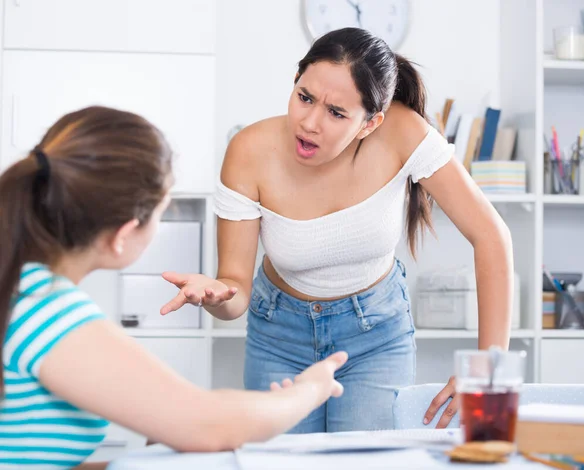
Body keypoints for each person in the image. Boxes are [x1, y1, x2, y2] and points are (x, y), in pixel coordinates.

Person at [161, 27, 514, 433]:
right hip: (279, 337)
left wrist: (487, 371)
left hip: (376, 335)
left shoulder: (402, 132)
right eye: (305, 98)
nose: (309, 123)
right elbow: (234, 292)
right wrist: (216, 294)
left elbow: (491, 235)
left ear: (370, 123)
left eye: (336, 113)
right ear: (295, 82)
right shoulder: (248, 151)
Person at [0, 106, 349, 469]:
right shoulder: (43, 307)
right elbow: (210, 423)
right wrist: (311, 389)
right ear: (123, 234)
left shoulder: (21, 291)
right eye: (161, 212)